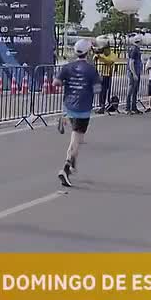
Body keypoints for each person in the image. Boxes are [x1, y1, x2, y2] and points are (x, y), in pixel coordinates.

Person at [54, 39, 101, 188]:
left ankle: (65, 120)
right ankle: (66, 167)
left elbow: (55, 83)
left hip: (69, 104)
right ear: (88, 52)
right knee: (76, 139)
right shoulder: (91, 69)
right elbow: (97, 89)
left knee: (78, 139)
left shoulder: (68, 67)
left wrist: (70, 83)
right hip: (83, 107)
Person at [93, 40, 116, 112]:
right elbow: (94, 60)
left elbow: (109, 62)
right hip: (100, 74)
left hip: (107, 75)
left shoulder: (112, 55)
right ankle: (100, 105)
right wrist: (96, 57)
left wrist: (101, 58)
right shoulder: (101, 54)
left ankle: (104, 105)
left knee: (104, 91)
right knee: (100, 91)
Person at [126, 37, 143, 115]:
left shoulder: (135, 48)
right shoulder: (134, 49)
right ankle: (128, 108)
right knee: (131, 89)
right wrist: (134, 73)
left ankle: (133, 107)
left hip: (136, 71)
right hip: (134, 72)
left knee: (135, 90)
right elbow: (131, 62)